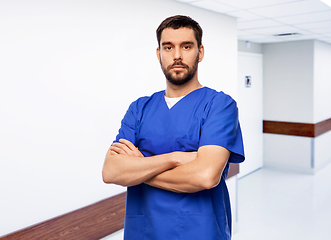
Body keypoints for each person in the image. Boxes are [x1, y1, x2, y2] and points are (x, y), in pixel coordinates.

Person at [102, 15, 244, 240]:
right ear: (159, 54)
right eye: (168, 47)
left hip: (200, 233)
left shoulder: (219, 105)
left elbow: (205, 176)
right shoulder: (139, 108)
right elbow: (111, 172)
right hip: (142, 232)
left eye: (186, 46)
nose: (177, 55)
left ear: (200, 52)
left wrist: (139, 169)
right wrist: (177, 158)